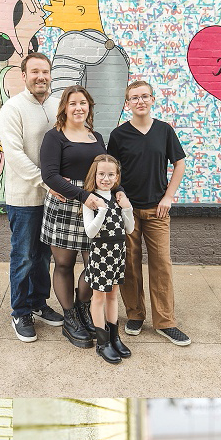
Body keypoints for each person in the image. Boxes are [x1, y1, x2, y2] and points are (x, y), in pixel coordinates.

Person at [39, 85, 131, 348]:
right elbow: (50, 175)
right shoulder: (54, 137)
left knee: (94, 266)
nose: (78, 108)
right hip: (67, 206)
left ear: (89, 107)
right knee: (64, 265)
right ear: (64, 109)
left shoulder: (97, 137)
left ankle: (83, 307)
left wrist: (120, 193)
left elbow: (107, 172)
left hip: (96, 208)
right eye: (73, 103)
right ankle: (70, 318)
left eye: (83, 103)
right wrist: (81, 195)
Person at [107, 81, 191, 346]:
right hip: (128, 212)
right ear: (127, 104)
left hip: (157, 210)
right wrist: (118, 196)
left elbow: (180, 163)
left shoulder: (164, 131)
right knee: (129, 266)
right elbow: (111, 171)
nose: (140, 101)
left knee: (161, 265)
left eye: (144, 96)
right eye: (134, 97)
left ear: (153, 99)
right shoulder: (119, 135)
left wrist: (168, 196)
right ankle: (135, 315)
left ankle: (165, 322)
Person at [0, 52, 64, 343]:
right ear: (23, 76)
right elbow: (13, 153)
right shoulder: (12, 108)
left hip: (52, 198)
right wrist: (45, 181)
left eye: (45, 72)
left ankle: (38, 302)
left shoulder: (56, 105)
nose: (41, 77)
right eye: (34, 72)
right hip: (24, 198)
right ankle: (20, 311)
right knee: (23, 256)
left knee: (43, 256)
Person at [81, 154, 134, 364]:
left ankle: (114, 337)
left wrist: (128, 208)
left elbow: (129, 228)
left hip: (118, 254)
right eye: (101, 174)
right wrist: (101, 211)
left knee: (113, 296)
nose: (106, 178)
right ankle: (102, 343)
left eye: (110, 174)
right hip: (101, 255)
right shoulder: (91, 200)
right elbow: (90, 233)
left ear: (117, 176)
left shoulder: (119, 198)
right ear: (94, 175)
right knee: (99, 298)